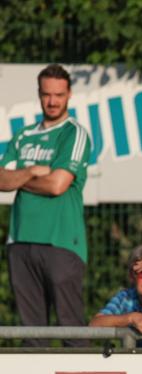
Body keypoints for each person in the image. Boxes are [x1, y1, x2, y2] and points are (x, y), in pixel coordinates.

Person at [0, 64, 91, 346]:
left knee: (71, 330)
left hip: (61, 242)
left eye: (59, 95)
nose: (52, 101)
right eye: (46, 94)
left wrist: (20, 177)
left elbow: (57, 185)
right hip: (20, 240)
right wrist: (31, 171)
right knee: (32, 334)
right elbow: (2, 180)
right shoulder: (24, 135)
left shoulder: (73, 134)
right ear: (39, 94)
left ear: (69, 95)